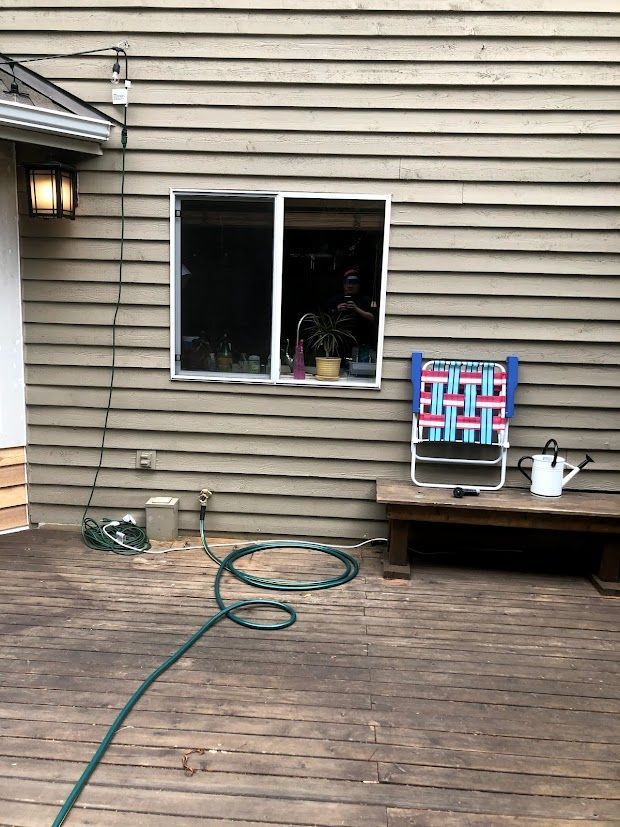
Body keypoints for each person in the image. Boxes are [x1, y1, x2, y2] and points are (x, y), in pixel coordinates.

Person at [326, 268, 376, 354]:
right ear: (343, 285)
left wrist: (356, 309)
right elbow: (324, 316)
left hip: (361, 341)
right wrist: (337, 309)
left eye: (354, 283)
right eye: (347, 283)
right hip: (339, 341)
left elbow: (372, 317)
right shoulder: (335, 299)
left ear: (359, 285)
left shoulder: (366, 300)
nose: (350, 286)